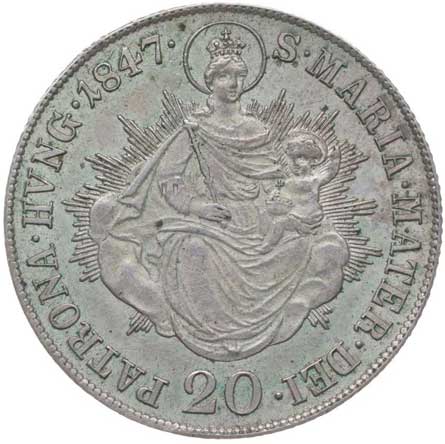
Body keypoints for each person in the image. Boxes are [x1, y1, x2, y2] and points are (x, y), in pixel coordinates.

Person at [89, 30, 349, 361]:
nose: (233, 83)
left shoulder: (257, 130)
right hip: (211, 222)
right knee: (195, 250)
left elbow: (271, 178)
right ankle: (208, 331)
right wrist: (198, 206)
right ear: (210, 81)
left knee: (300, 247)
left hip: (259, 222)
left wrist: (277, 202)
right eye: (225, 75)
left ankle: (261, 325)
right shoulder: (194, 131)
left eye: (239, 76)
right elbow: (169, 179)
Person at [257, 133, 341, 253]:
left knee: (279, 223)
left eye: (302, 158)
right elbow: (276, 193)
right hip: (295, 217)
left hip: (311, 218)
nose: (297, 162)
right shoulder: (288, 182)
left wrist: (335, 159)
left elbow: (330, 173)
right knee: (272, 218)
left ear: (312, 161)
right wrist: (275, 194)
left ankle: (267, 246)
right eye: (295, 158)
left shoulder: (314, 180)